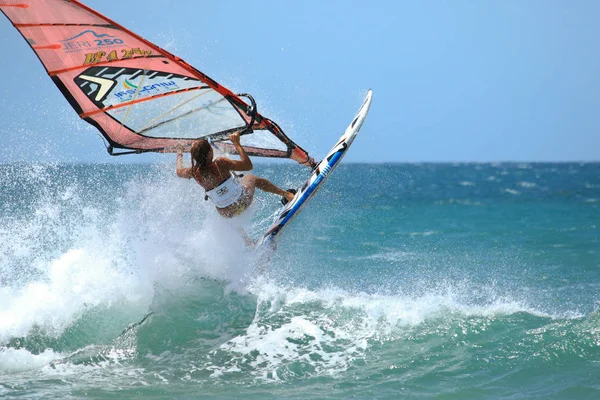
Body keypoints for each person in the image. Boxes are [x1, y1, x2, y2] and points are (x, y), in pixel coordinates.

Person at [176, 131, 295, 218]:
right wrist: (237, 143)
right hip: (243, 202)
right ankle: (288, 195)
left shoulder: (193, 172)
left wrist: (179, 152)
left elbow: (178, 172)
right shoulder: (220, 163)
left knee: (223, 209)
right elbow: (248, 166)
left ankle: (247, 241)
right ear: (209, 153)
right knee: (250, 178)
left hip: (227, 214)